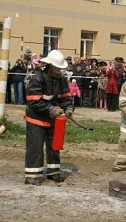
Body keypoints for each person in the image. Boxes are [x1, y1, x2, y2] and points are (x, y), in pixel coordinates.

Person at [24, 49, 73, 185]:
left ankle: (53, 172)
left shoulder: (61, 79)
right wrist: (51, 109)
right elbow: (33, 101)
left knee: (54, 146)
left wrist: (68, 108)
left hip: (52, 119)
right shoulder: (38, 78)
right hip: (36, 119)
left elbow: (65, 97)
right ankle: (32, 175)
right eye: (58, 67)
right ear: (50, 66)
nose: (60, 70)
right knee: (35, 147)